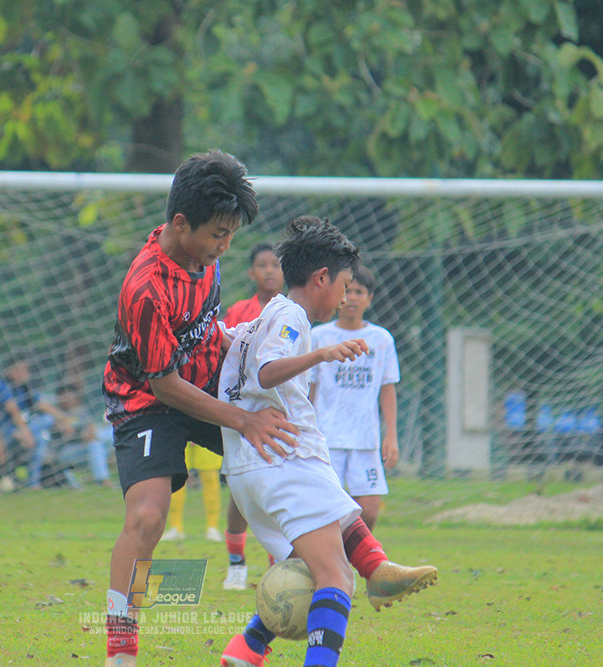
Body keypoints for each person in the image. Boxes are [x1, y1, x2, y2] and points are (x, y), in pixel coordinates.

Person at [101, 150, 297, 667]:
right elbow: (162, 384)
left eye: (231, 234)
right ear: (181, 222)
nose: (226, 245)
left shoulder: (204, 257)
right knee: (147, 517)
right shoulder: (145, 289)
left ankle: (304, 581)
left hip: (202, 381)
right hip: (146, 399)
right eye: (218, 233)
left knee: (280, 460)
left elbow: (204, 328)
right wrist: (242, 418)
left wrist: (237, 344)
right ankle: (121, 650)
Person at [217, 216, 437, 667]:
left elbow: (235, 355)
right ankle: (373, 574)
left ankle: (247, 650)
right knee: (336, 576)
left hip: (252, 469)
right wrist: (321, 352)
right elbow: (265, 371)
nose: (343, 297)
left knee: (317, 561)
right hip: (282, 461)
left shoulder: (264, 316)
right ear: (321, 278)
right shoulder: (292, 318)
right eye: (343, 284)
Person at [310, 265, 399, 530]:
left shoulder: (381, 339)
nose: (352, 298)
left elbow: (387, 388)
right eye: (347, 291)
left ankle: (352, 563)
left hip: (365, 438)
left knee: (369, 512)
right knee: (327, 513)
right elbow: (310, 388)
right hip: (327, 438)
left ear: (370, 298)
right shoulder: (320, 336)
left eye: (360, 292)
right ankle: (331, 568)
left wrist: (391, 435)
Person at [219, 242, 285, 587]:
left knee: (276, 487)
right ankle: (236, 562)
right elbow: (225, 351)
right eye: (262, 264)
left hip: (276, 409)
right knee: (240, 491)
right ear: (251, 272)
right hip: (241, 409)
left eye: (276, 264)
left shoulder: (289, 313)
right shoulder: (238, 310)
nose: (270, 270)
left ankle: (278, 564)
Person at [0, 353, 63, 489]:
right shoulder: (2, 386)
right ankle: (30, 481)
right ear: (9, 370)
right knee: (44, 424)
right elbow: (13, 410)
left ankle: (33, 484)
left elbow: (42, 404)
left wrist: (65, 419)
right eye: (20, 369)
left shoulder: (23, 388)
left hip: (19, 431)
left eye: (25, 369)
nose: (24, 373)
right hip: (0, 433)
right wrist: (25, 433)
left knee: (41, 438)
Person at [50, 385, 113, 488]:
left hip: (87, 447)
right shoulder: (57, 414)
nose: (67, 399)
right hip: (65, 452)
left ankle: (101, 478)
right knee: (95, 442)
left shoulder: (82, 411)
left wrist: (90, 434)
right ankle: (102, 480)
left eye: (70, 396)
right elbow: (65, 434)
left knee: (98, 440)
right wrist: (81, 436)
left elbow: (91, 427)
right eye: (64, 396)